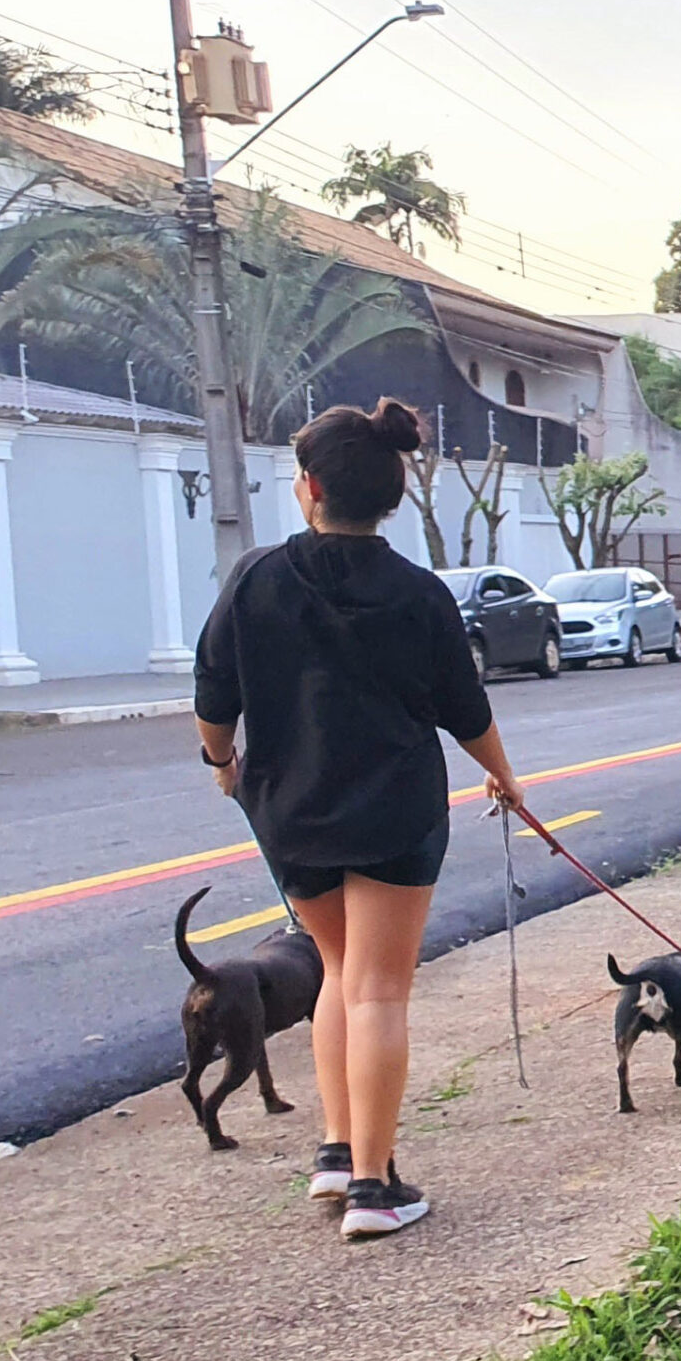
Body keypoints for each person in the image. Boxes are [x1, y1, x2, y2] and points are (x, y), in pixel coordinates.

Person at [193, 399, 525, 1240]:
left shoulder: (257, 578)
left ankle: (338, 1153)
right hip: (395, 809)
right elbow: (464, 706)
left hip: (288, 809)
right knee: (378, 986)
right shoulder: (418, 594)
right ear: (394, 494)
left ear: (308, 488)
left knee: (339, 974)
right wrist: (504, 777)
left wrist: (224, 765)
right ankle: (375, 1190)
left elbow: (212, 691)